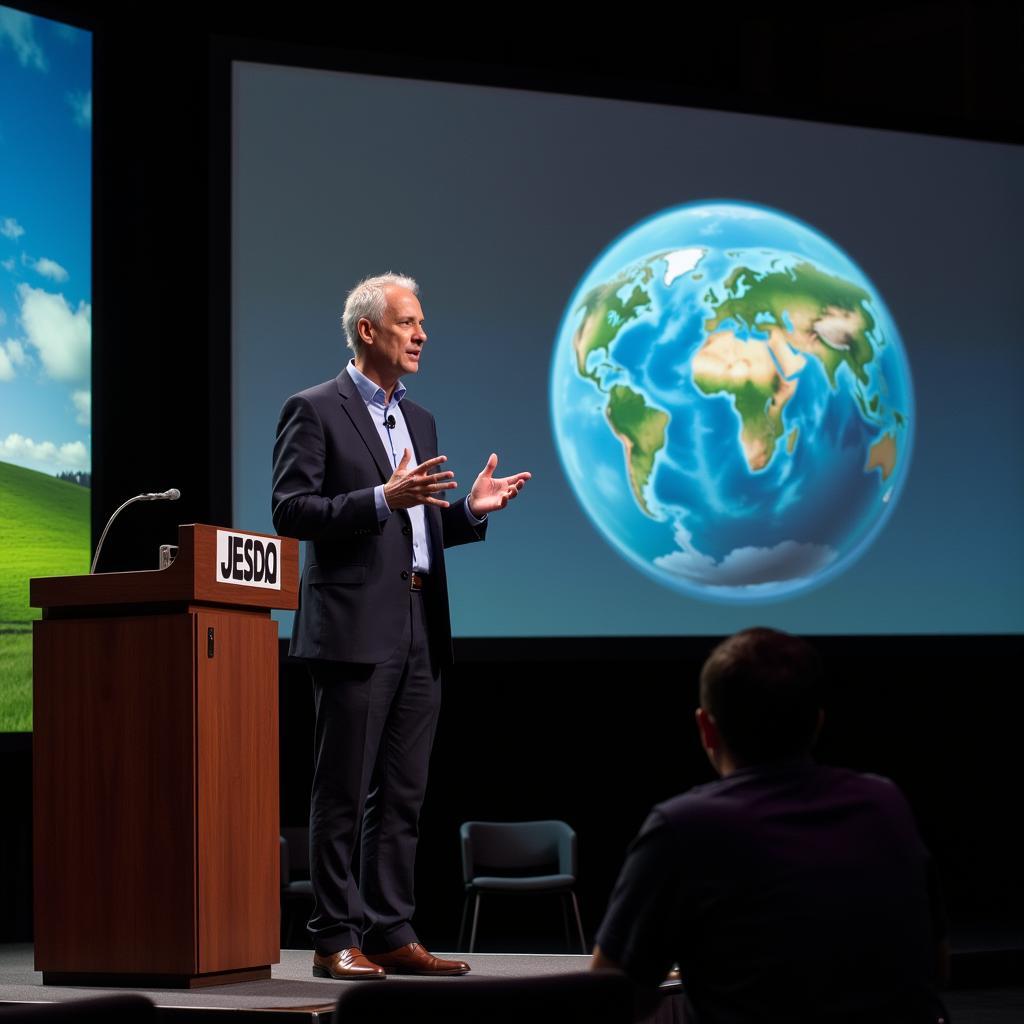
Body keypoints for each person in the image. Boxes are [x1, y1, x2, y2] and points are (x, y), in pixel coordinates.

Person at [272, 272, 530, 980]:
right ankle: (333, 938)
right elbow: (291, 511)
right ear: (367, 331)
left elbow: (413, 528)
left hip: (421, 621)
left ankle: (389, 930)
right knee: (343, 790)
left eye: (422, 324)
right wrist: (380, 496)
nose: (421, 335)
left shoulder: (420, 422)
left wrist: (469, 513)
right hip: (353, 627)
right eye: (409, 323)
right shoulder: (314, 409)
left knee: (404, 793)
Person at [592, 627, 949, 1024]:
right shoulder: (885, 804)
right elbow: (937, 967)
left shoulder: (683, 828)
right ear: (817, 723)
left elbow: (609, 1000)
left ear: (706, 728)